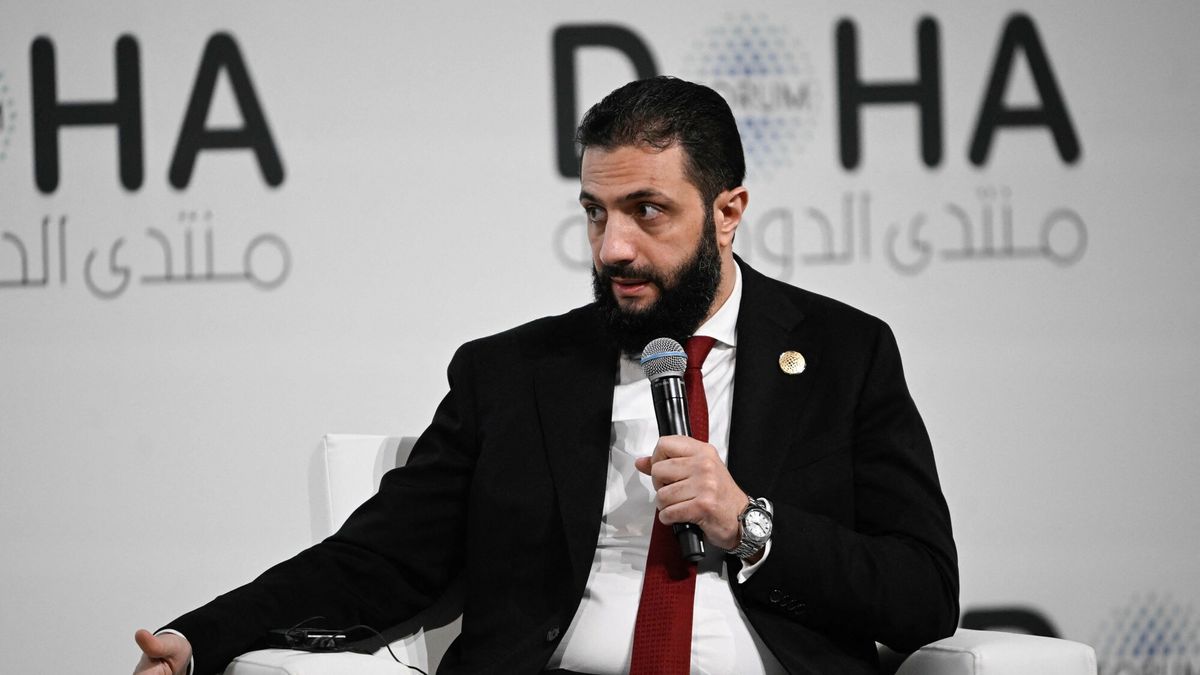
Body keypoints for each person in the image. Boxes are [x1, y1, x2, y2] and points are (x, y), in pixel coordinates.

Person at [134, 76, 958, 675]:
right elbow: (379, 558)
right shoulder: (513, 374)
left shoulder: (845, 355)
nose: (613, 249)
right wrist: (200, 638)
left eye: (647, 211)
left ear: (727, 212)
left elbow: (922, 591)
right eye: (596, 213)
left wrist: (748, 523)